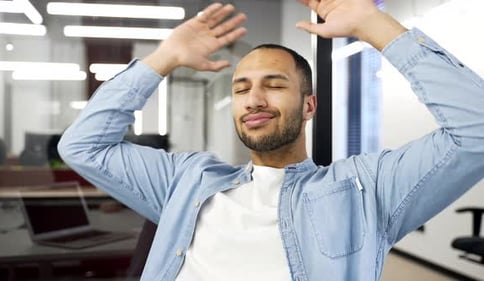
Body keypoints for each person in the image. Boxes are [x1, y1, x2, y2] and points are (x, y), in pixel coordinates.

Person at [58, 0, 484, 280]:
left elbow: (477, 131)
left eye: (274, 84)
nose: (254, 99)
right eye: (241, 88)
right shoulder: (185, 179)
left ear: (309, 105)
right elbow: (82, 146)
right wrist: (163, 59)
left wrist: (374, 24)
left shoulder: (364, 189)